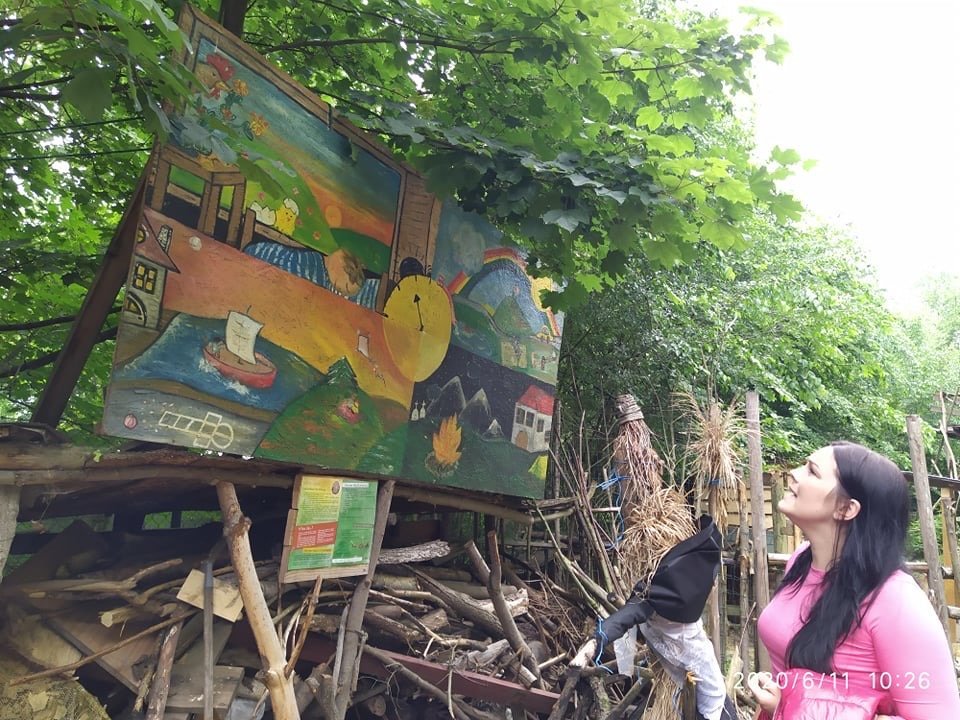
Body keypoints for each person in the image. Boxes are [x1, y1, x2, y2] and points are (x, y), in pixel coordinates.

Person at [748, 441, 960, 719]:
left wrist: (791, 707)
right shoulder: (800, 561)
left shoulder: (896, 601)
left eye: (812, 471)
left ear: (846, 508)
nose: (795, 474)